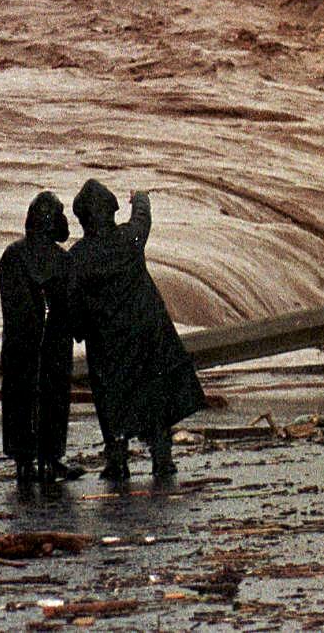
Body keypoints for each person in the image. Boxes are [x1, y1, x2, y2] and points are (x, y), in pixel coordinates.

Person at [69, 181, 206, 482]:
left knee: (111, 400)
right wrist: (140, 197)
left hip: (106, 341)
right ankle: (162, 458)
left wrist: (78, 330)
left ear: (84, 220)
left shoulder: (78, 256)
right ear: (110, 212)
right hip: (147, 331)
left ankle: (117, 461)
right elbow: (143, 218)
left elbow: (72, 301)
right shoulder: (128, 238)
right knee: (154, 394)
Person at [0, 192, 77, 487]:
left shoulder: (12, 255)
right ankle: (50, 459)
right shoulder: (63, 260)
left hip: (20, 343)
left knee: (19, 396)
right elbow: (69, 306)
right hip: (55, 344)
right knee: (53, 397)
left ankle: (23, 462)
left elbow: (11, 306)